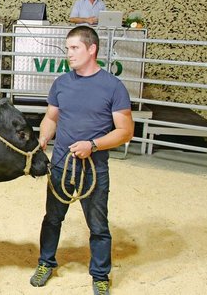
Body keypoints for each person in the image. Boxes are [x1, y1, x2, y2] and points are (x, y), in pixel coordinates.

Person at [29, 26, 134, 295]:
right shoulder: (61, 83)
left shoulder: (113, 86)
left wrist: (94, 145)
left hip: (94, 169)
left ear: (91, 49)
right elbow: (51, 118)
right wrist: (42, 138)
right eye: (67, 49)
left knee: (98, 225)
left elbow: (125, 131)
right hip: (62, 165)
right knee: (52, 219)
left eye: (74, 48)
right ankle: (45, 262)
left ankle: (100, 275)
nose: (69, 54)